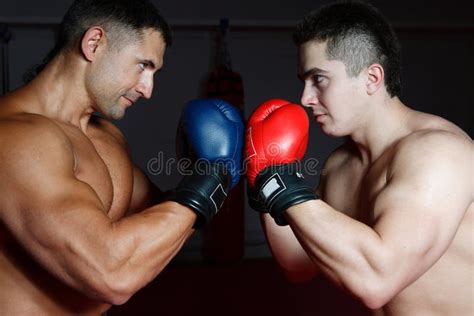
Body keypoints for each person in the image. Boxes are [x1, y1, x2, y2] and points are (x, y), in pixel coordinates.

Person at [0, 0, 243, 314]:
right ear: (94, 43)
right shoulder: (15, 139)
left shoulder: (108, 138)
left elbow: (164, 221)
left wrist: (224, 170)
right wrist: (210, 180)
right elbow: (112, 272)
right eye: (143, 65)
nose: (148, 89)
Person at [245, 2, 473, 315]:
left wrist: (282, 187)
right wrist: (264, 180)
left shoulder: (438, 154)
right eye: (304, 81)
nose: (305, 99)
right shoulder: (339, 166)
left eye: (319, 79)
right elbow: (298, 264)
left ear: (371, 78)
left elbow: (378, 280)